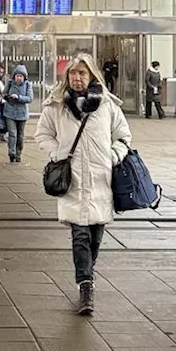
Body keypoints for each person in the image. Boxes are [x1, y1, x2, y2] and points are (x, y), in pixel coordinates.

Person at [35, 53, 132, 316]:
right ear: (66, 77)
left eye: (82, 73)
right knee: (79, 234)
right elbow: (42, 134)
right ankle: (86, 285)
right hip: (73, 181)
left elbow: (123, 137)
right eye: (73, 73)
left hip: (101, 180)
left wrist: (113, 156)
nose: (77, 78)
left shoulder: (107, 106)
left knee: (95, 236)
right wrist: (57, 153)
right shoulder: (56, 105)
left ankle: (87, 273)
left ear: (92, 76)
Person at [2, 65, 33, 163]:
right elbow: (3, 94)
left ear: (24, 77)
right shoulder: (10, 83)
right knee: (12, 134)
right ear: (14, 76)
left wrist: (19, 97)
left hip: (22, 114)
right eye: (17, 76)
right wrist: (9, 98)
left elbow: (29, 98)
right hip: (10, 113)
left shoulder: (28, 85)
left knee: (20, 136)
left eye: (21, 76)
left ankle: (18, 153)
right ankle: (12, 153)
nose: (19, 78)